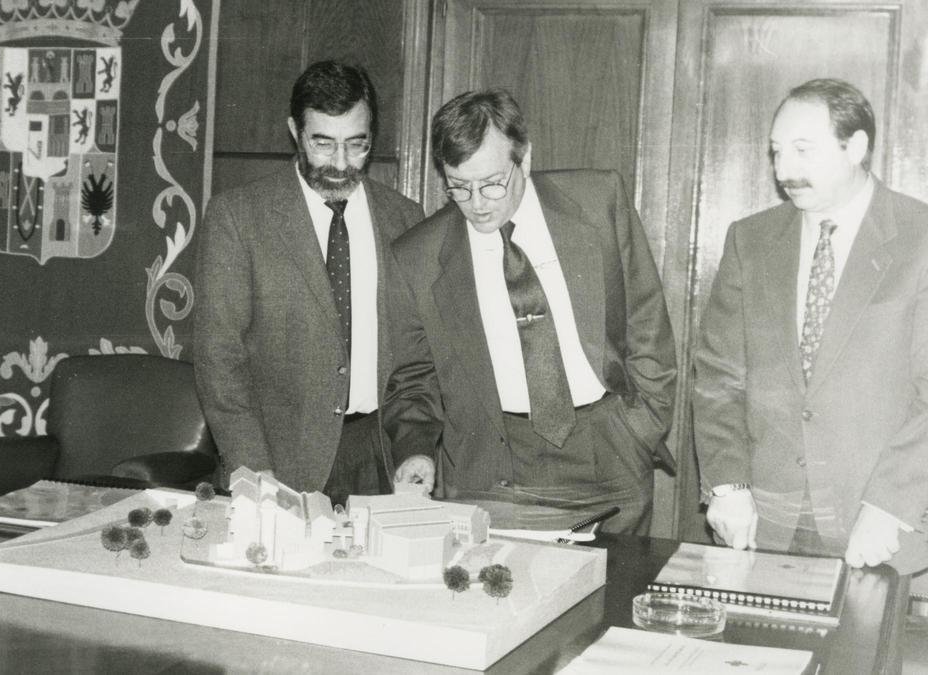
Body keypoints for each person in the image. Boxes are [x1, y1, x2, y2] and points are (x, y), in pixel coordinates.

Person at [383, 89, 676, 534]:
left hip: (608, 446)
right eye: (458, 187)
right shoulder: (417, 256)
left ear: (526, 158)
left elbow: (646, 321)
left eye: (492, 182)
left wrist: (640, 429)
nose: (477, 203)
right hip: (494, 463)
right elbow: (414, 378)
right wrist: (416, 449)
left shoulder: (598, 202)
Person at [694, 78, 928, 570]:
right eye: (777, 152)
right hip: (763, 521)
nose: (784, 171)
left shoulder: (919, 239)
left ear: (857, 146)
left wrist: (890, 505)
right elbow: (718, 377)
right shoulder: (750, 240)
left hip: (879, 524)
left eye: (803, 150)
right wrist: (727, 484)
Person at [193, 61, 423, 505]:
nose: (340, 164)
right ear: (294, 131)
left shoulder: (405, 219)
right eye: (323, 144)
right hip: (277, 461)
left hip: (381, 458)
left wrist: (413, 449)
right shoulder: (238, 217)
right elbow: (219, 359)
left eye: (357, 145)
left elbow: (417, 358)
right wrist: (253, 469)